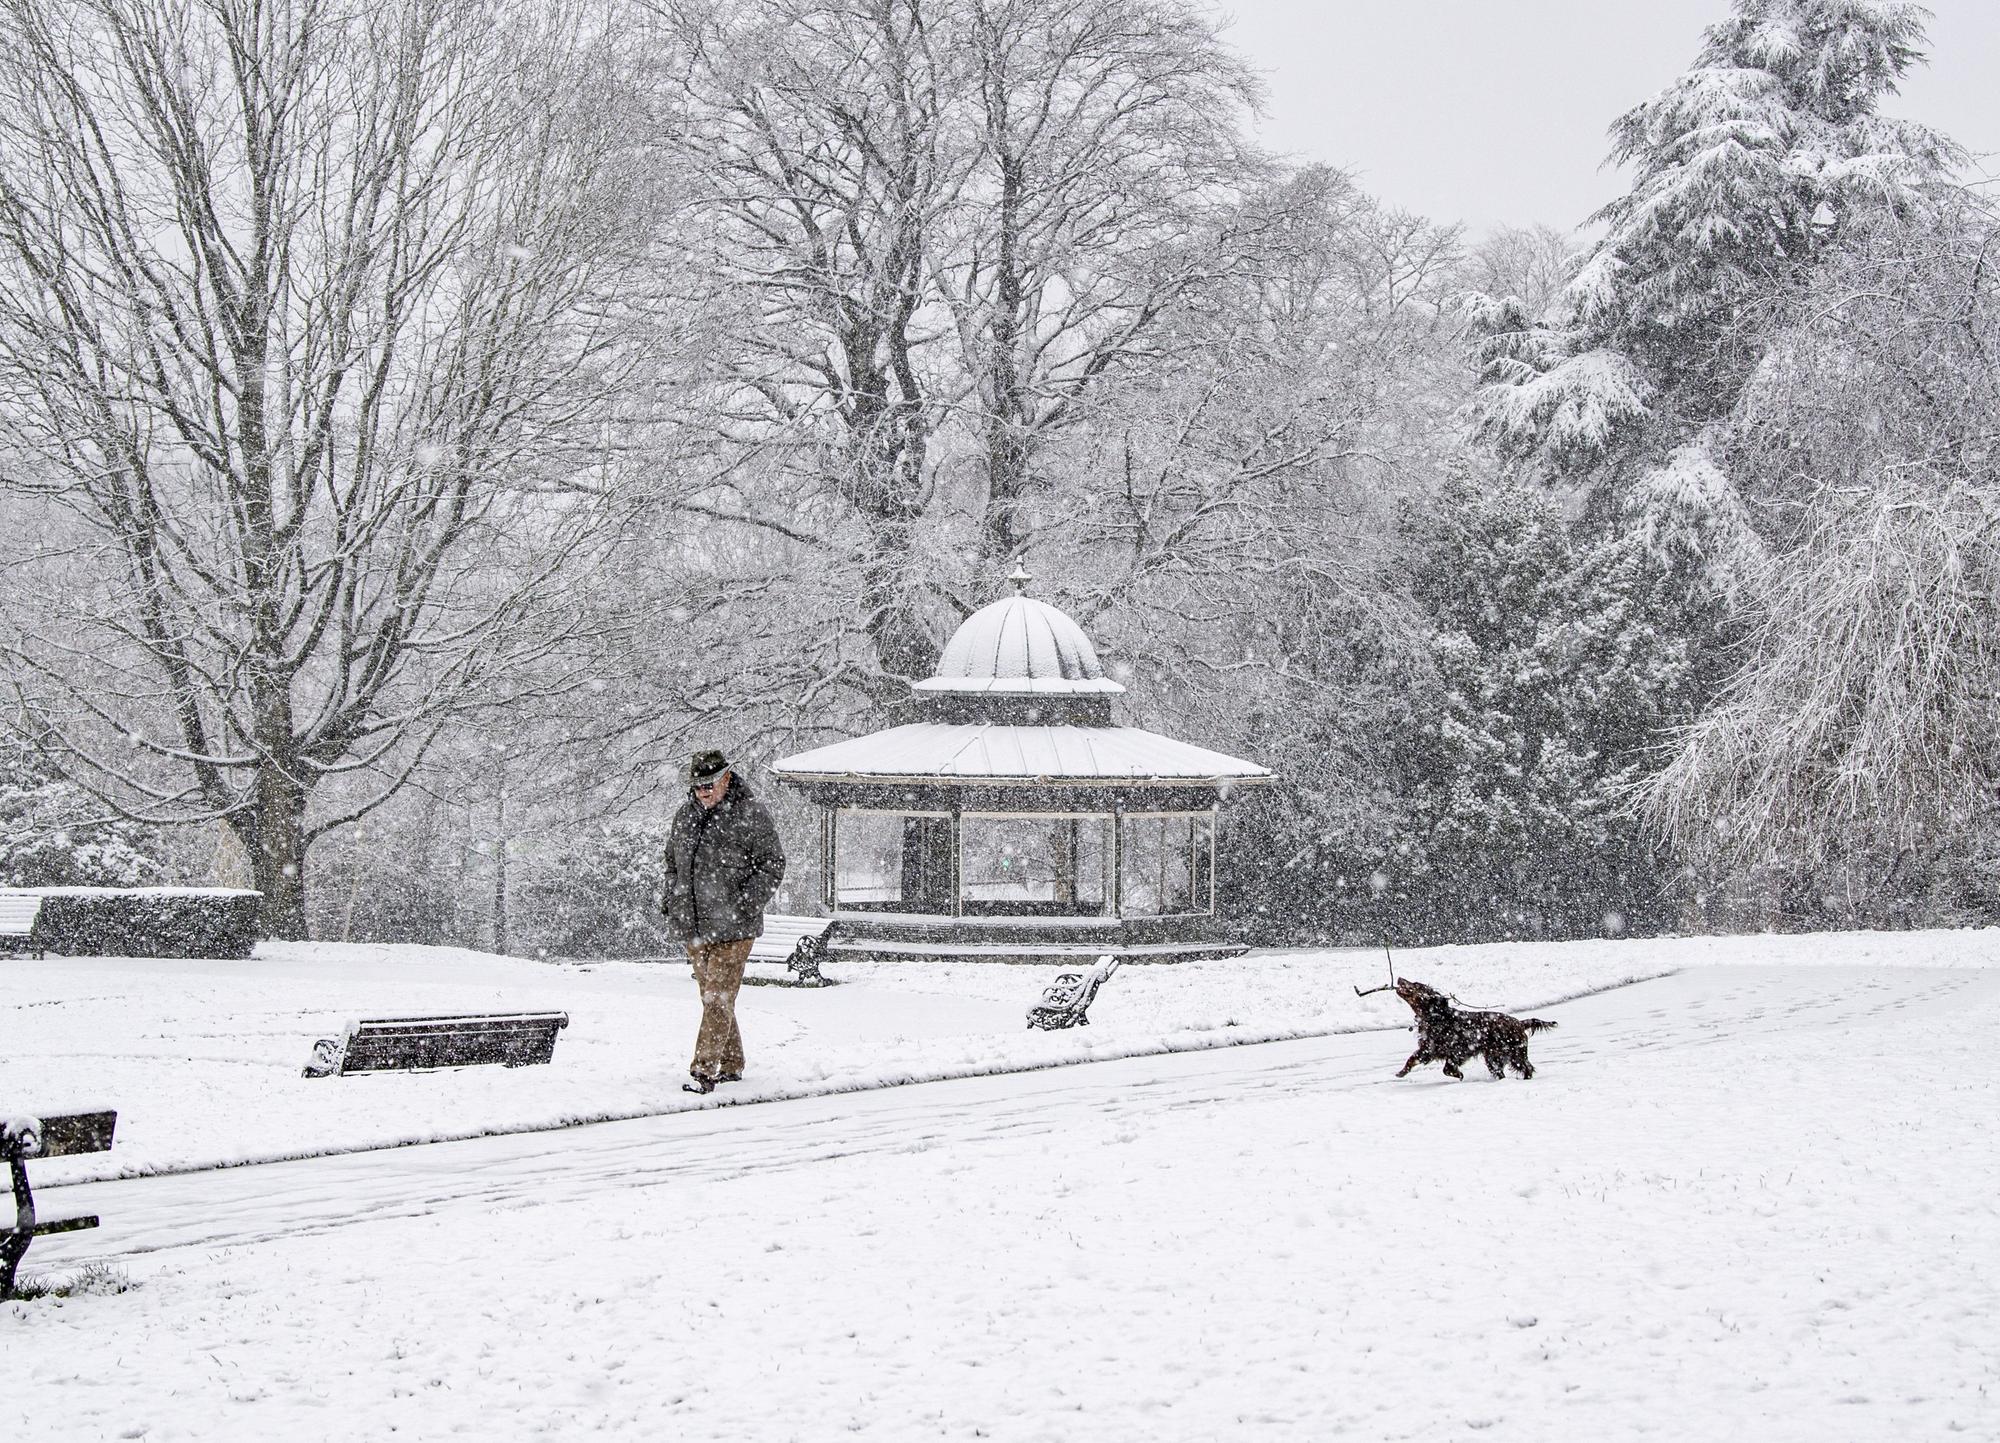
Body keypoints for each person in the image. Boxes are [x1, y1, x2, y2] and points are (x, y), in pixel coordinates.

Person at [661, 749, 787, 1094]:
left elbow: (773, 863)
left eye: (709, 784)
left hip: (735, 927)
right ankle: (732, 1063)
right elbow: (672, 862)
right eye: (697, 785)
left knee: (716, 997)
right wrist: (672, 898)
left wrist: (746, 903)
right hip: (693, 925)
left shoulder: (751, 814)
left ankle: (704, 1069)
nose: (703, 791)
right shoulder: (683, 817)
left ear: (727, 778)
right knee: (713, 998)